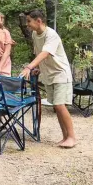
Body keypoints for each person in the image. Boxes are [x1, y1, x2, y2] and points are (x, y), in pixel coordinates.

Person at [20, 9, 76, 149]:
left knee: (59, 105)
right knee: (57, 107)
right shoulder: (35, 34)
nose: (27, 24)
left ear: (38, 21)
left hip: (60, 73)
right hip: (48, 74)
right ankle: (65, 137)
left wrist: (29, 67)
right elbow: (39, 53)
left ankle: (72, 137)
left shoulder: (51, 35)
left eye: (29, 21)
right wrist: (38, 67)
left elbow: (45, 53)